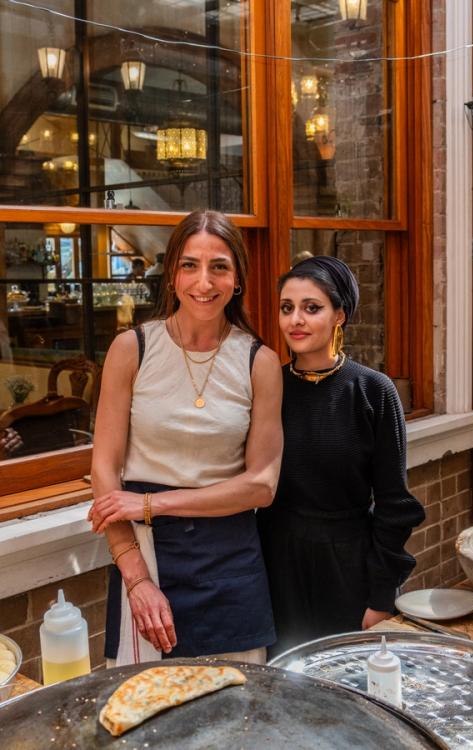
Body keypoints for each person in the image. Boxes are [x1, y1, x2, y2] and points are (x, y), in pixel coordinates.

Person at [89, 210, 283, 666]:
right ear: (172, 275)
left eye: (219, 266)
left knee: (238, 716)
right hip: (145, 553)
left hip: (231, 561)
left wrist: (153, 504)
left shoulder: (260, 362)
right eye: (190, 265)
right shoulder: (131, 348)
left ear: (237, 279)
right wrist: (135, 578)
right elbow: (104, 470)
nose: (204, 281)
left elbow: (262, 486)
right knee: (147, 717)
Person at [258, 255, 425, 657]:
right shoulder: (267, 386)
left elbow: (394, 505)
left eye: (311, 308)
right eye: (287, 308)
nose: (295, 319)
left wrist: (382, 595)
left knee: (352, 686)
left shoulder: (373, 391)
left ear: (339, 315)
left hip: (350, 566)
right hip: (277, 565)